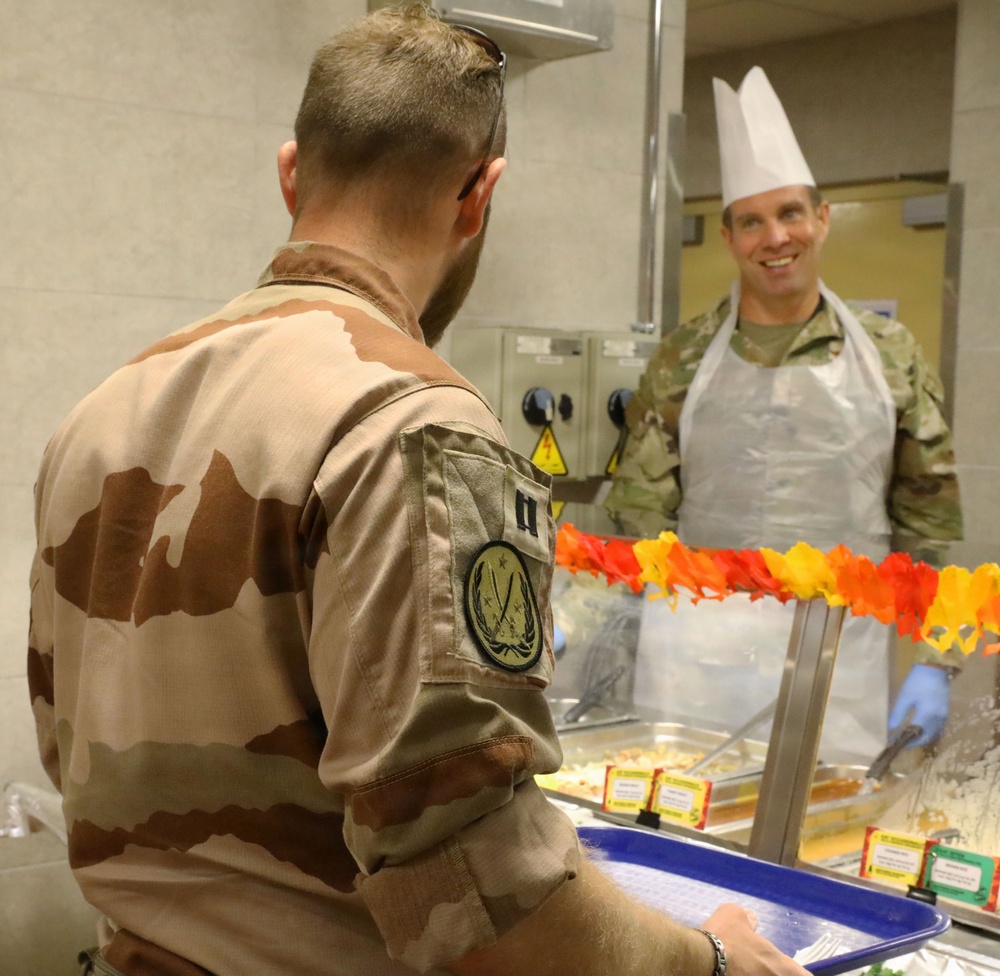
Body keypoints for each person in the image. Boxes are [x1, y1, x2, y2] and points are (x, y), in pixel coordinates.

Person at [28, 9, 809, 976]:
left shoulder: (101, 414)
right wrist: (710, 961)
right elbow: (479, 893)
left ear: (289, 175)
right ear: (480, 195)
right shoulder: (414, 425)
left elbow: (70, 758)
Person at [605, 66, 963, 762]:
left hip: (834, 665)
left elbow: (930, 524)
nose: (775, 237)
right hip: (693, 667)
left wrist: (937, 658)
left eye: (791, 213)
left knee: (816, 846)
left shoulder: (891, 356)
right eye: (752, 221)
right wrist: (586, 626)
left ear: (822, 219)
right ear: (730, 237)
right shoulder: (681, 359)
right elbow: (637, 525)